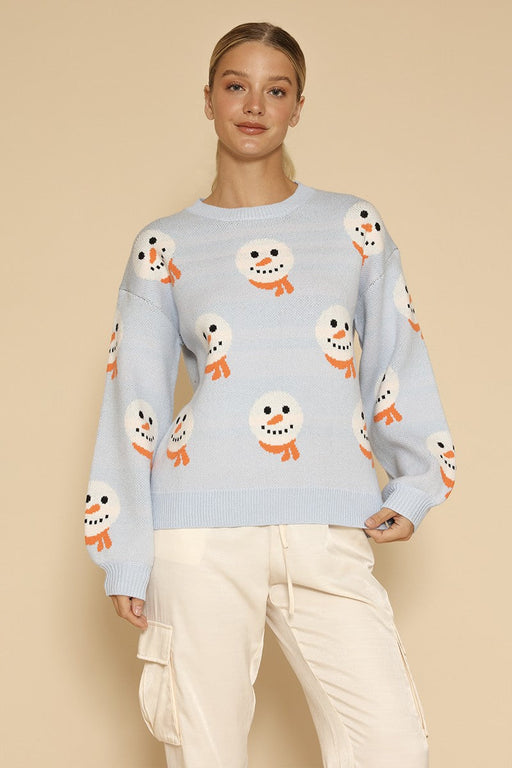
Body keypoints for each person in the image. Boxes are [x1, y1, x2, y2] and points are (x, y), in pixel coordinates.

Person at [84, 21, 456, 768]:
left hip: (330, 522)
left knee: (391, 746)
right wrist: (124, 552)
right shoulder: (164, 244)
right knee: (206, 752)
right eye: (236, 86)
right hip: (197, 533)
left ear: (297, 107)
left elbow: (397, 354)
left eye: (275, 90)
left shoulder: (352, 225)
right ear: (209, 100)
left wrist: (417, 483)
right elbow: (135, 400)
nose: (254, 105)